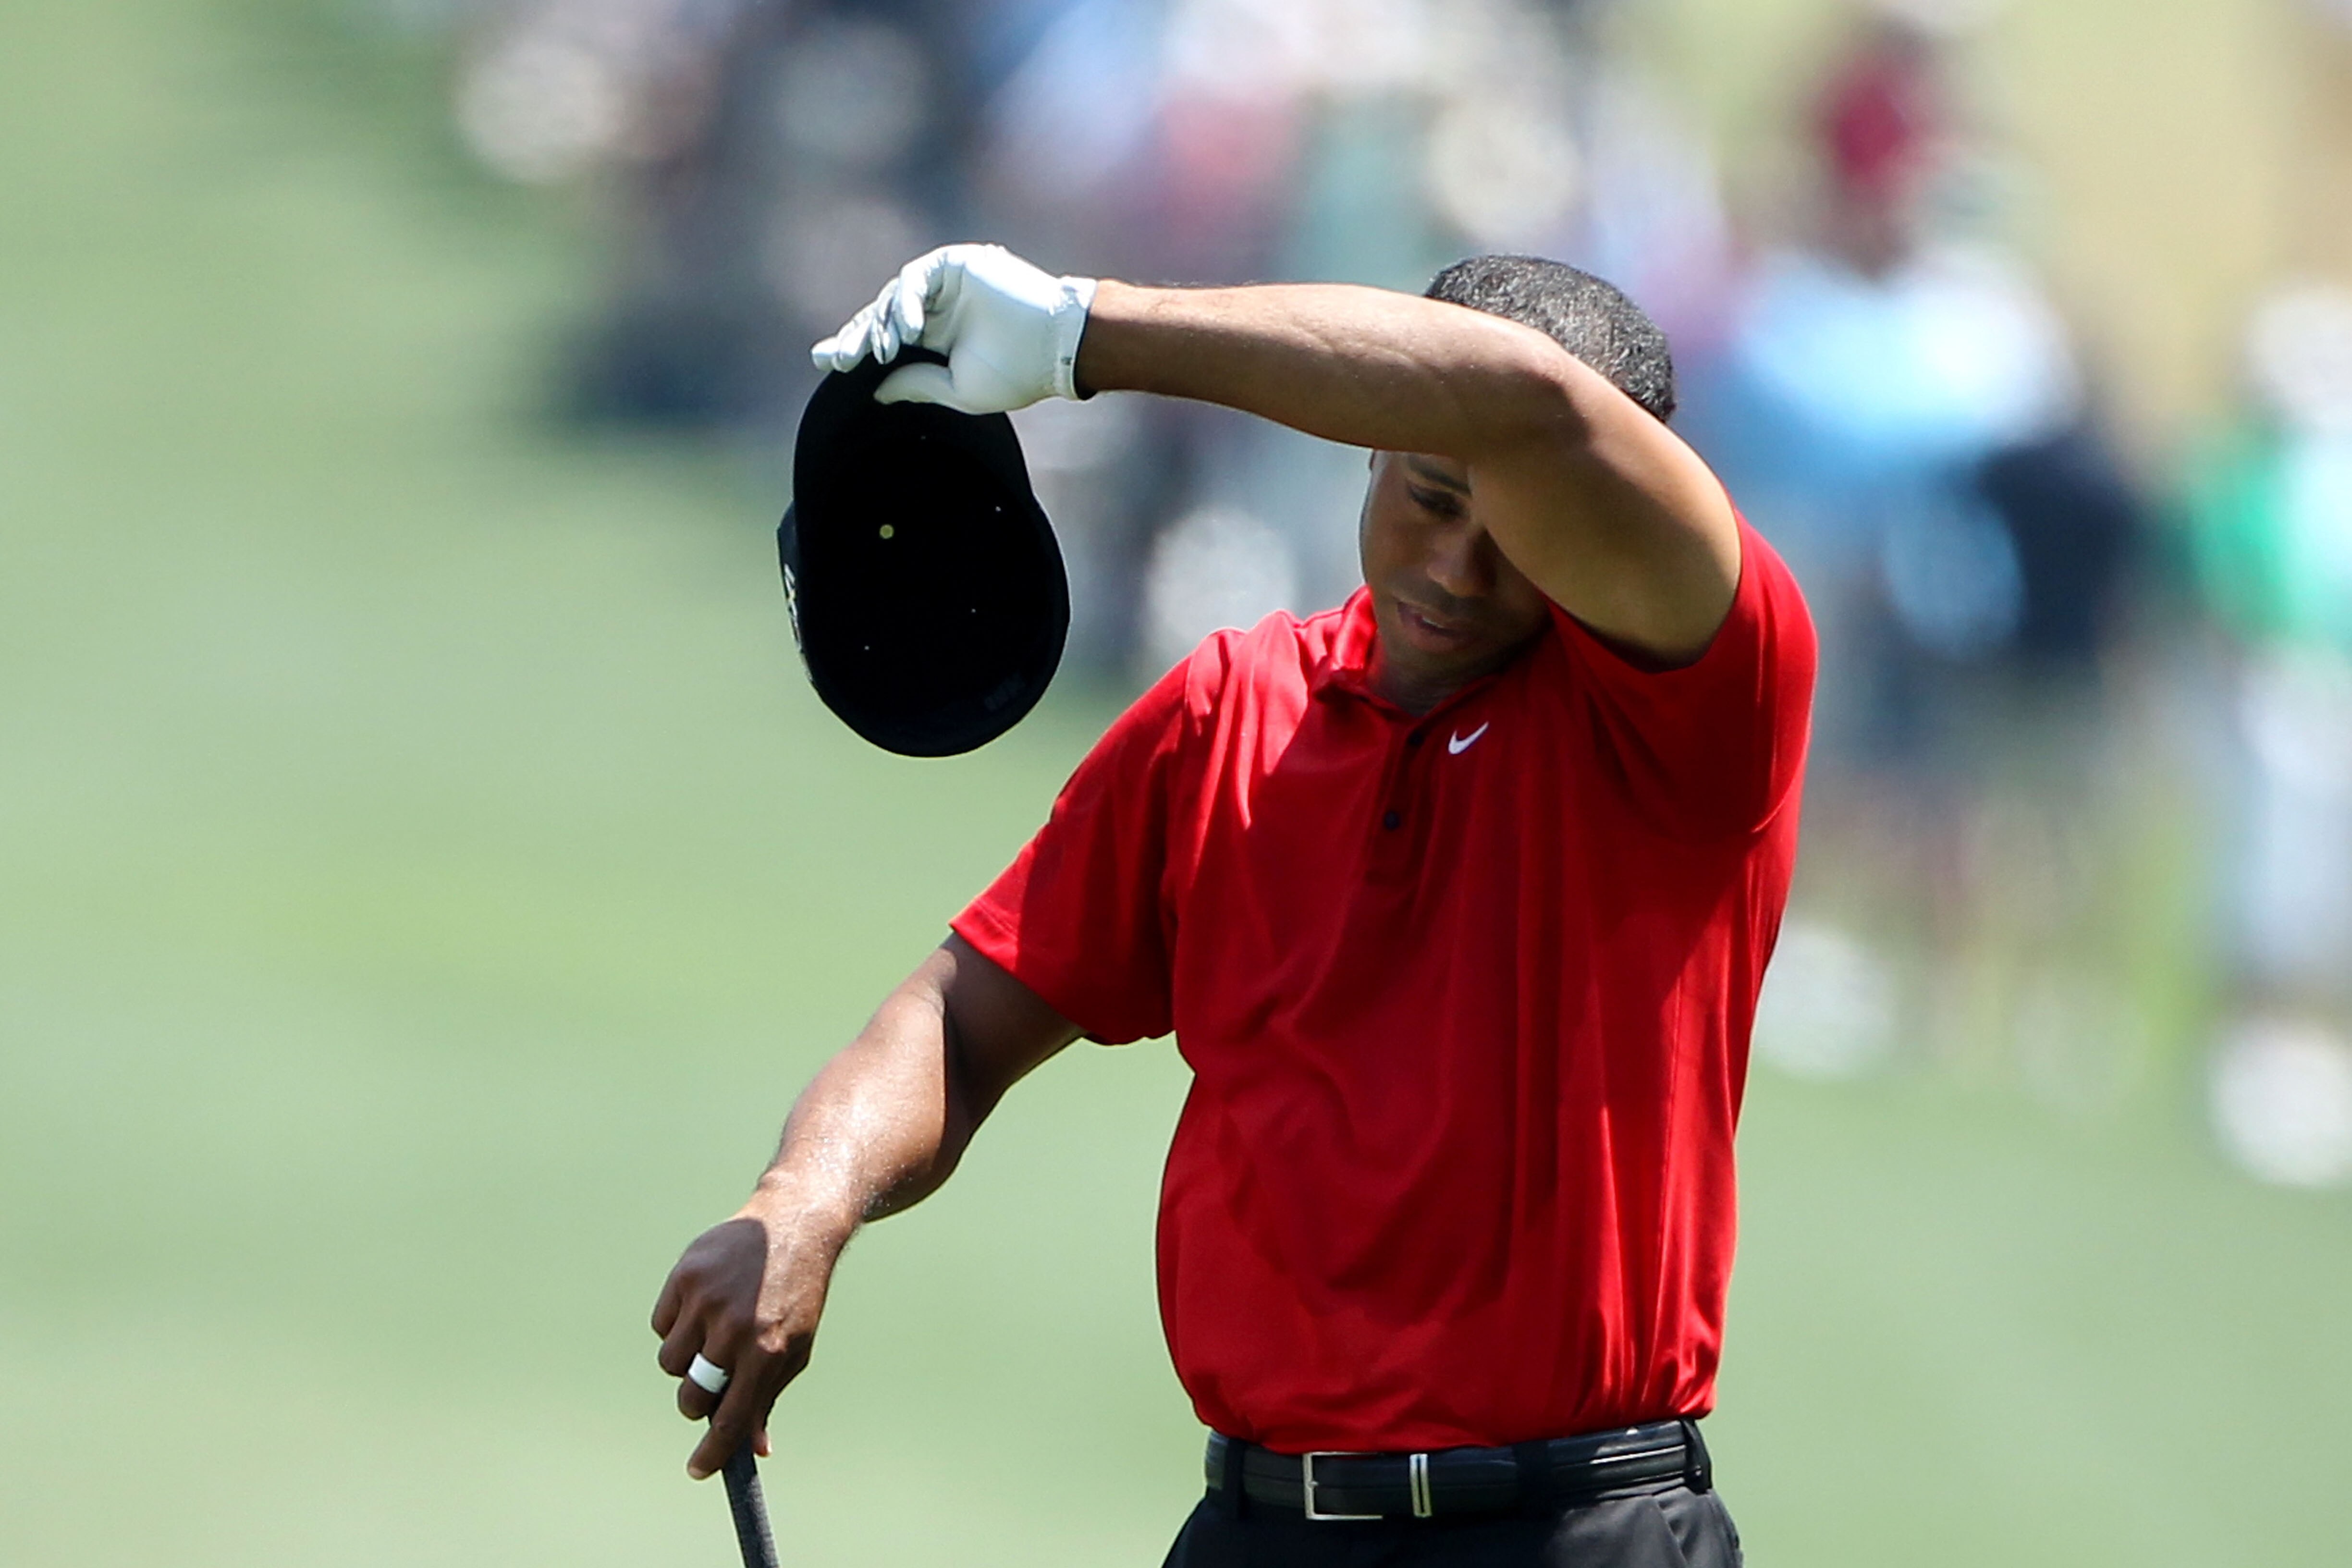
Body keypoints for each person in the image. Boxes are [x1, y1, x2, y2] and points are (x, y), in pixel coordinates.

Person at [651, 243, 1815, 1566]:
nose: (1460, 568)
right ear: (1366, 447)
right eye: (1431, 499)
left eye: (1521, 538)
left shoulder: (1704, 703)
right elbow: (958, 1017)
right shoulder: (1227, 716)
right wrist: (804, 1200)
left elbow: (1527, 409)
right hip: (1259, 1531)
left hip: (1582, 1535)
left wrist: (1088, 335)